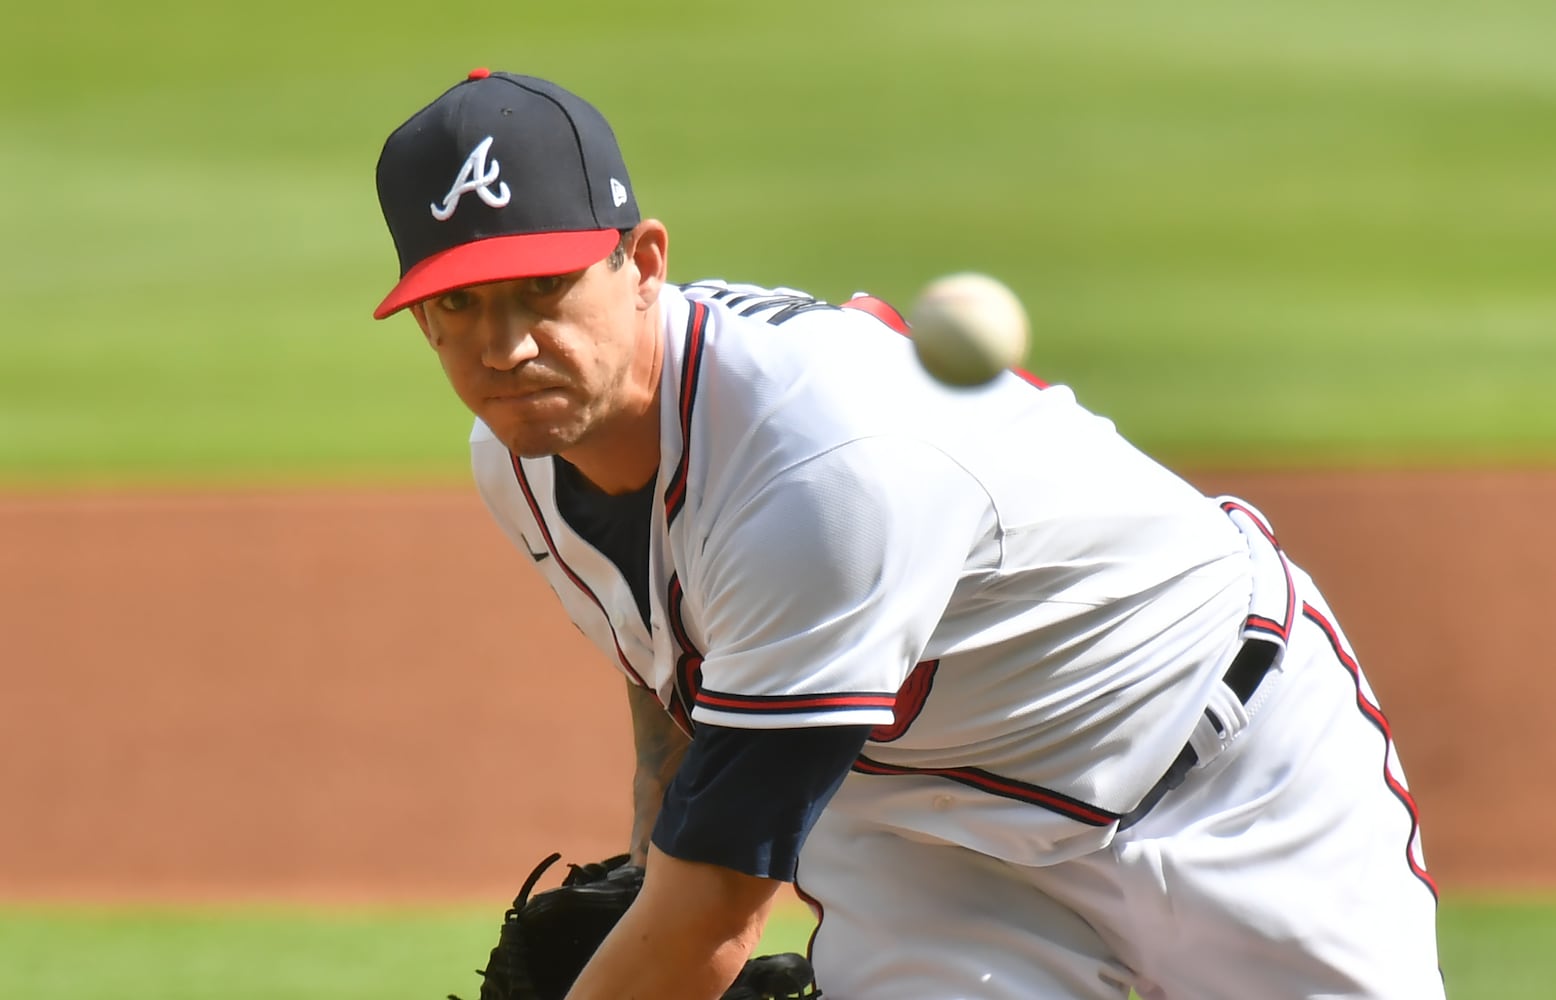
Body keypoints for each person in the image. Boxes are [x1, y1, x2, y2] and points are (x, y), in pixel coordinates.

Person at [370, 68, 1445, 1000]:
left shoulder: (815, 470)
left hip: (1223, 775)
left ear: (643, 261)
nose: (504, 347)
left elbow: (710, 921)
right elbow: (671, 660)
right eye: (455, 306)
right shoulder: (519, 453)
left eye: (540, 288)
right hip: (925, 837)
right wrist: (657, 871)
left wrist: (669, 925)